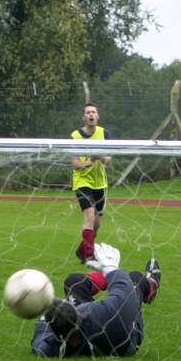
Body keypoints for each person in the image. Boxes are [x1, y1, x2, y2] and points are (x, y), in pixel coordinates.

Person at [31, 243, 161, 358]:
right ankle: (151, 285)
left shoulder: (49, 347)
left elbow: (40, 337)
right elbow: (123, 286)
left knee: (74, 282)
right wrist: (109, 267)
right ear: (80, 315)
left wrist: (45, 307)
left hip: (92, 333)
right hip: (129, 334)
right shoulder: (110, 313)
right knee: (134, 280)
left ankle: (104, 277)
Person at [70, 102, 112, 264]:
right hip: (82, 181)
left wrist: (98, 156)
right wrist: (87, 162)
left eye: (93, 112)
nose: (91, 115)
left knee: (97, 224)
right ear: (83, 117)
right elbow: (75, 164)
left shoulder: (104, 133)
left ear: (98, 116)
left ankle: (82, 250)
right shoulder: (75, 136)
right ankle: (89, 256)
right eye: (88, 113)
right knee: (89, 215)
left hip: (100, 182)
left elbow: (108, 160)